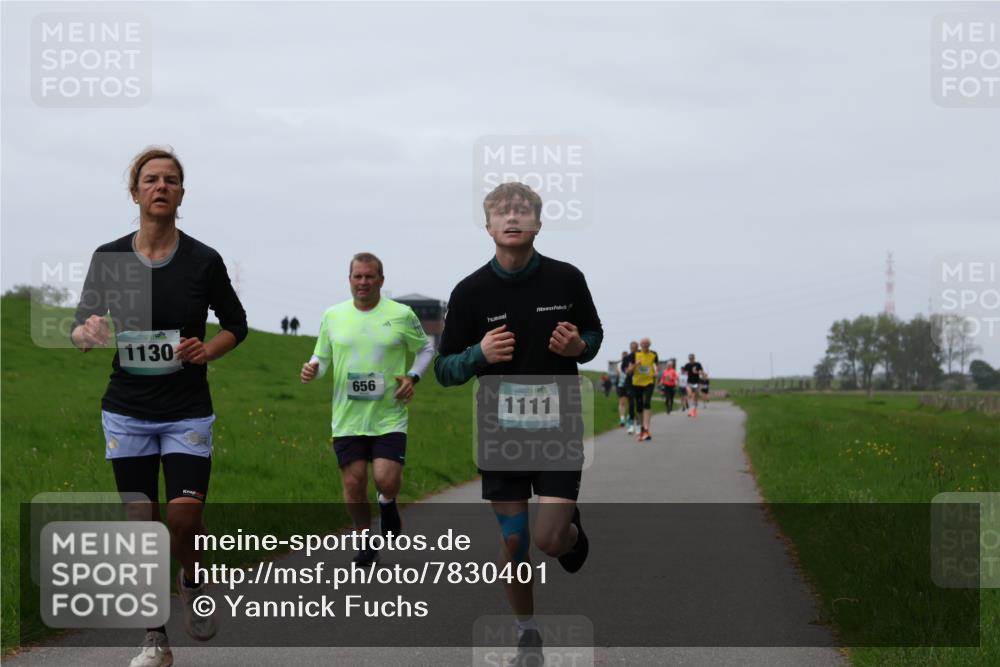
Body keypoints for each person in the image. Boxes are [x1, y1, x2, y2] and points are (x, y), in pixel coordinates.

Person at [71, 146, 247, 667]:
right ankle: (155, 638)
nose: (161, 187)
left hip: (187, 408)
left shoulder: (202, 260)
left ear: (181, 194)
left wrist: (206, 348)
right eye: (151, 179)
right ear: (135, 191)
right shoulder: (111, 258)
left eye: (171, 180)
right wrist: (89, 330)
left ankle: (192, 581)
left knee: (183, 518)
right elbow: (80, 325)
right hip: (126, 409)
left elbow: (236, 322)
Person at [434, 182, 602, 666]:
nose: (512, 217)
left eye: (522, 210)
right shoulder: (469, 292)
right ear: (488, 227)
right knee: (513, 541)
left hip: (557, 428)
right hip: (500, 432)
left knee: (550, 541)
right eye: (501, 212)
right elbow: (445, 370)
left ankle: (569, 530)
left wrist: (579, 348)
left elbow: (593, 333)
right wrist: (477, 354)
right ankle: (527, 635)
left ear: (538, 222)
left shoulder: (567, 279)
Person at [300, 252, 434, 565]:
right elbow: (322, 358)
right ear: (349, 280)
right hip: (347, 417)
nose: (363, 282)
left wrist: (413, 377)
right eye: (357, 276)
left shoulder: (401, 314)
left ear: (381, 280)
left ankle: (387, 501)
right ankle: (363, 538)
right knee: (353, 482)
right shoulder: (333, 315)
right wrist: (312, 369)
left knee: (386, 479)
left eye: (369, 276)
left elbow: (426, 348)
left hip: (389, 414)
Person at [630, 338, 659, 441]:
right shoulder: (634, 355)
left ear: (650, 345)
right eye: (643, 343)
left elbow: (656, 365)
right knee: (639, 407)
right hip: (637, 382)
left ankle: (646, 428)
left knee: (647, 403)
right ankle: (642, 427)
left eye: (647, 343)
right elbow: (629, 370)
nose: (645, 345)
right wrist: (635, 365)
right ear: (640, 345)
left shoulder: (654, 354)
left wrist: (656, 372)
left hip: (649, 381)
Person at [622, 341, 639, 433]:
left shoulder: (641, 356)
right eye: (632, 347)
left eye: (635, 347)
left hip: (640, 382)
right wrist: (633, 367)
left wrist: (633, 367)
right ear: (630, 348)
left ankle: (640, 424)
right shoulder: (626, 358)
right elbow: (626, 371)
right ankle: (631, 424)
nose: (633, 349)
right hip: (630, 382)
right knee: (631, 403)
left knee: (639, 403)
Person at [616, 351, 630, 427]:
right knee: (622, 402)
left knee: (629, 402)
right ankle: (622, 419)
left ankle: (628, 417)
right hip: (621, 385)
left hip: (629, 385)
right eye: (623, 356)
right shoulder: (619, 364)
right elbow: (618, 373)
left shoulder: (630, 364)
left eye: (626, 356)